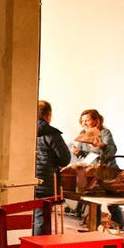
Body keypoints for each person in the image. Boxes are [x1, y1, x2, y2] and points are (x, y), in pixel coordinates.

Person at [72, 109, 124, 228]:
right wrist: (78, 152)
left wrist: (101, 146)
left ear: (96, 120)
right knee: (93, 202)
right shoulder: (82, 132)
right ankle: (95, 229)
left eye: (87, 120)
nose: (84, 123)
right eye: (83, 120)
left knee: (112, 203)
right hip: (91, 171)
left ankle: (120, 229)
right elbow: (84, 154)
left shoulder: (104, 133)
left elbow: (112, 151)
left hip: (107, 171)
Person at [34, 101, 71, 235]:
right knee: (41, 219)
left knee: (28, 218)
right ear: (48, 115)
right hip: (46, 181)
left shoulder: (24, 131)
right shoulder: (51, 134)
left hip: (25, 181)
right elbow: (65, 159)